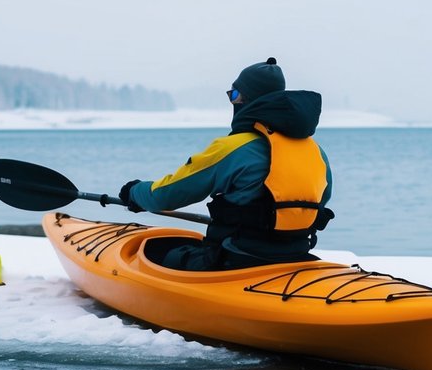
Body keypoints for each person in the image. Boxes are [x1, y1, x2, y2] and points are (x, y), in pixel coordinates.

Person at [118, 57, 334, 271]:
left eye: (234, 94)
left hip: (237, 259)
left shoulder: (232, 148)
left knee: (158, 253)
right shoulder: (315, 150)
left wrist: (135, 193)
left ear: (247, 100)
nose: (232, 100)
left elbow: (167, 195)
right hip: (295, 255)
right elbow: (321, 199)